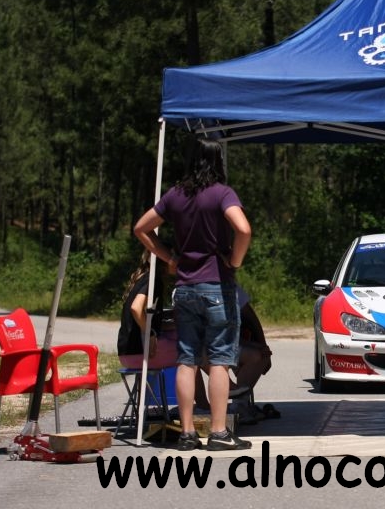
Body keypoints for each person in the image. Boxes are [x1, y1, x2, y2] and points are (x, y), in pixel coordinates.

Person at [134, 137, 253, 452]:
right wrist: (235, 261)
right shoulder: (222, 193)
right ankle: (218, 432)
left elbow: (141, 228)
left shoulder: (175, 195)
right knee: (219, 360)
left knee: (186, 360)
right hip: (217, 286)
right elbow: (243, 229)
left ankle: (186, 433)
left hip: (184, 287)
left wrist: (169, 258)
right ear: (218, 161)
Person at [193, 284, 275, 424]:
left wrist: (262, 345)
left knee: (261, 355)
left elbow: (251, 317)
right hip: (204, 349)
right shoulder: (187, 290)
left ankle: (239, 405)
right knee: (191, 354)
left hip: (228, 344)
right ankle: (203, 405)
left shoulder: (229, 286)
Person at [116, 251, 177, 370]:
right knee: (191, 353)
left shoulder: (142, 277)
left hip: (126, 352)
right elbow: (136, 308)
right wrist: (150, 334)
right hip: (139, 353)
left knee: (190, 352)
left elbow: (145, 320)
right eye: (174, 257)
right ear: (164, 261)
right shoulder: (153, 280)